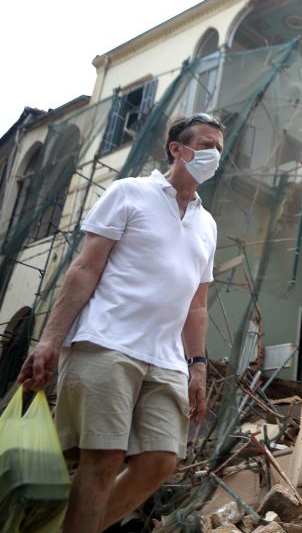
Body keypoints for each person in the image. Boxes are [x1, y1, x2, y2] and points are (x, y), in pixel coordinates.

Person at [17, 113, 224, 532]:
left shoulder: (207, 224)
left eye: (219, 148)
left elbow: (197, 305)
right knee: (103, 457)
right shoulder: (128, 193)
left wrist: (198, 365)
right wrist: (50, 340)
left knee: (160, 460)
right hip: (107, 343)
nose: (213, 154)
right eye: (205, 144)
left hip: (165, 359)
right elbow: (83, 269)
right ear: (177, 149)